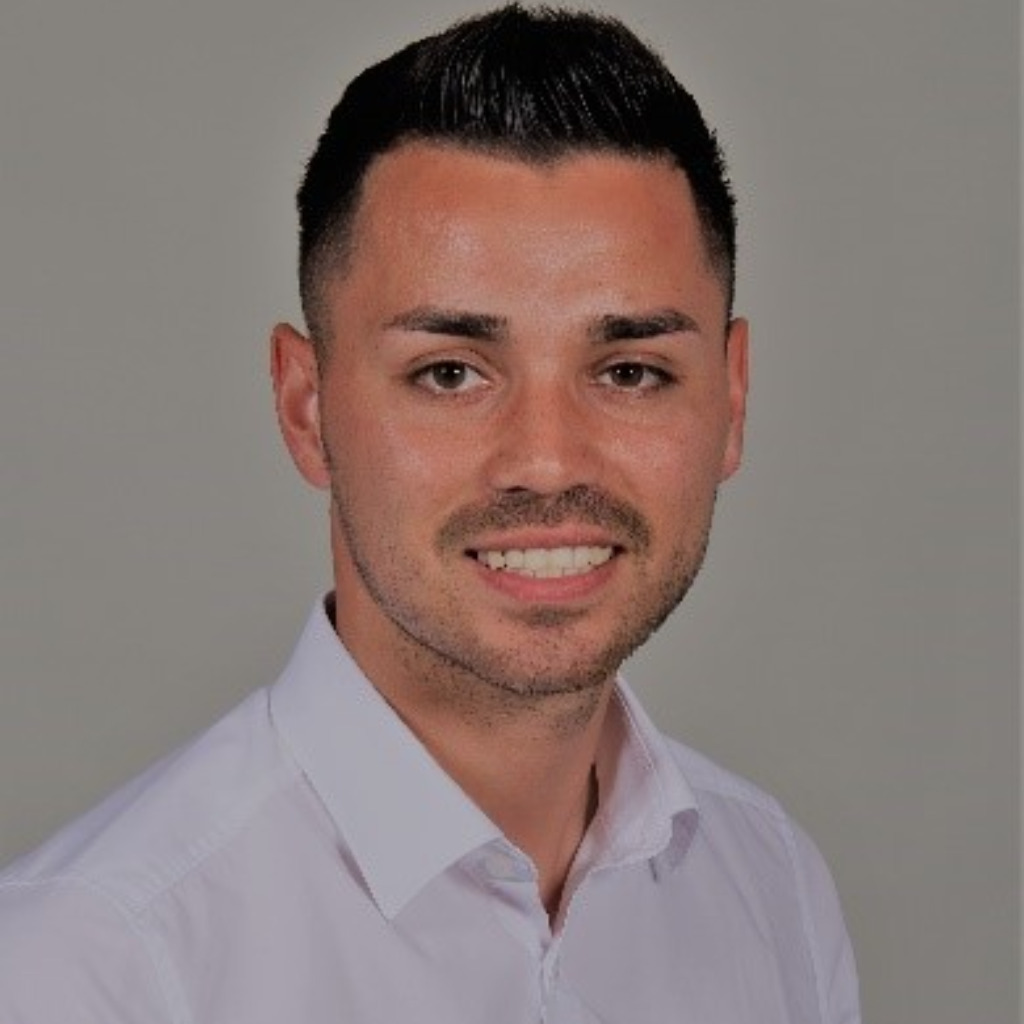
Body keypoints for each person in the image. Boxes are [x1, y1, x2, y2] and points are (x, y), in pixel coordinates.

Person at [0, 5, 860, 1022]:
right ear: (305, 407)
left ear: (732, 398)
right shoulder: (94, 968)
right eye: (450, 372)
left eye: (630, 371)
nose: (547, 460)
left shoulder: (771, 885)